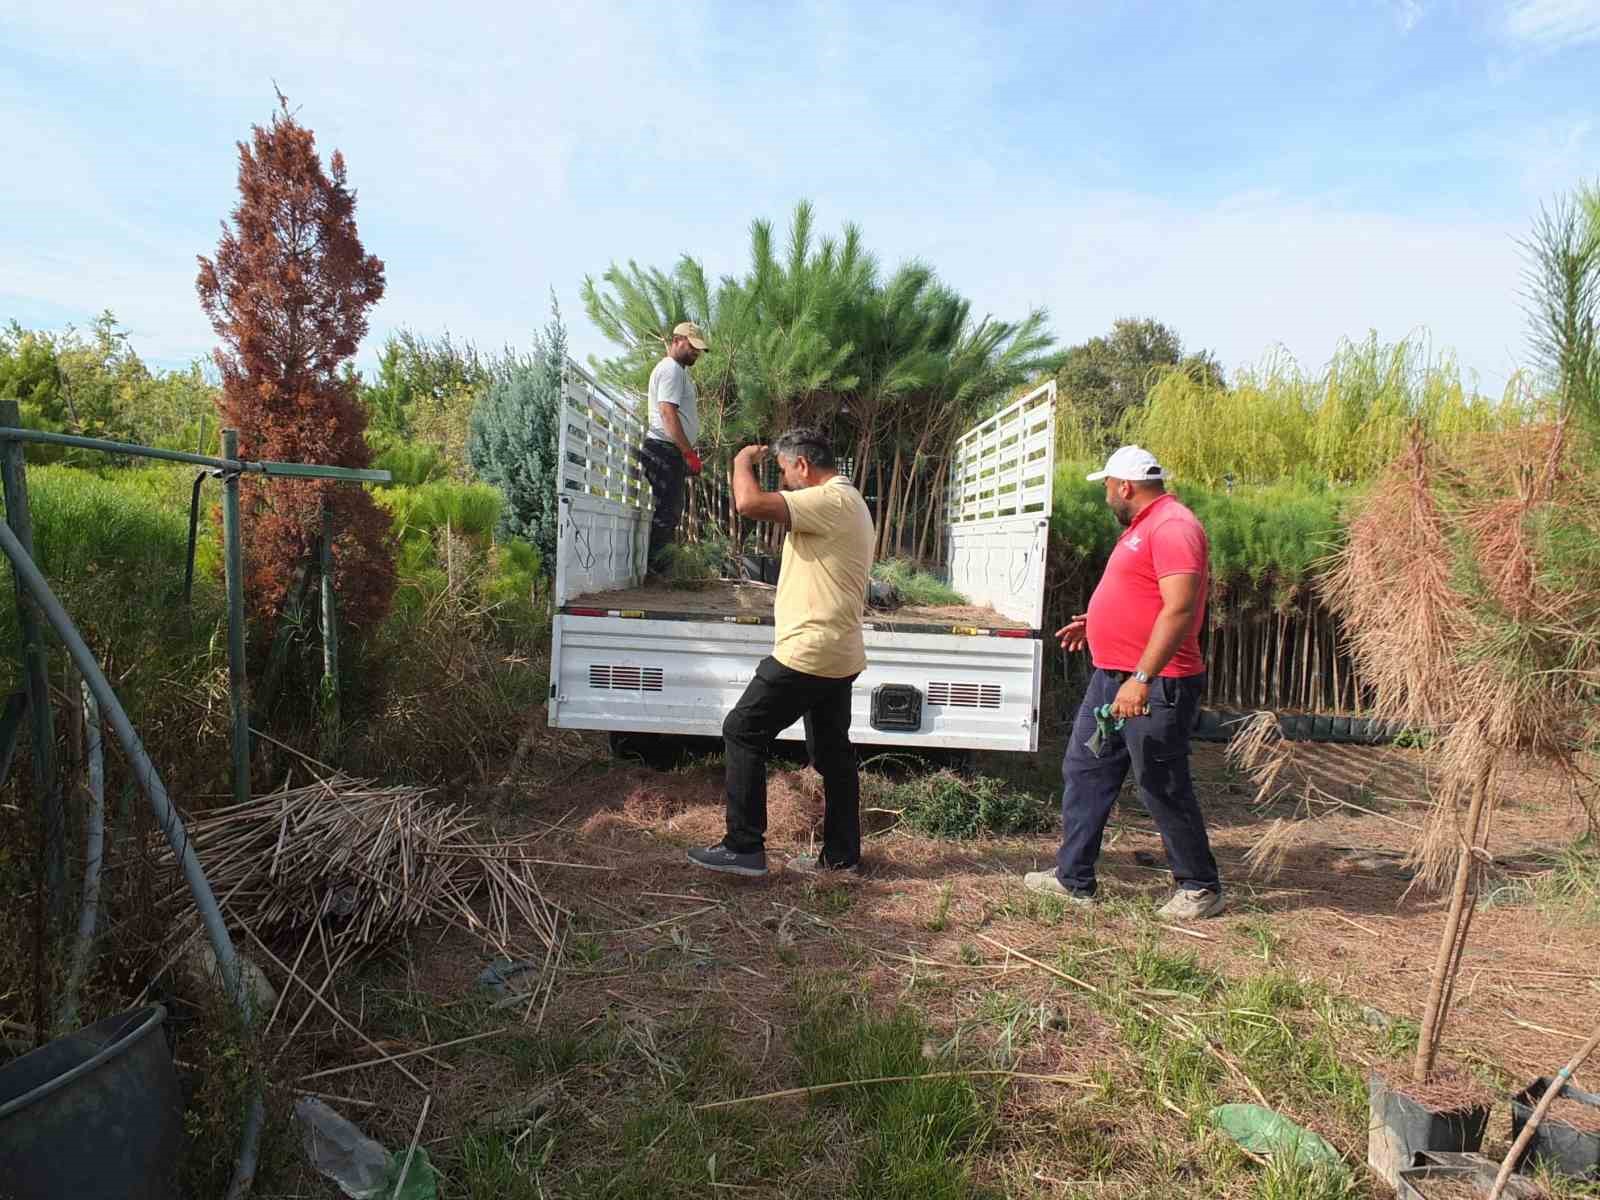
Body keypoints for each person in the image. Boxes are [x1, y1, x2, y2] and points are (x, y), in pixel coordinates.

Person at [1024, 445, 1224, 919]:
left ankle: (1200, 886)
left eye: (1108, 488)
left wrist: (1141, 678)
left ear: (1125, 486)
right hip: (1113, 678)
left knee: (1161, 782)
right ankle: (1072, 878)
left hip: (1155, 685)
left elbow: (1179, 610)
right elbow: (1139, 594)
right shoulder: (1143, 527)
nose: (1107, 497)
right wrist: (1095, 621)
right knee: (1086, 769)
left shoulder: (1174, 527)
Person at [687, 428, 875, 878]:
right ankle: (842, 858)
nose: (785, 480)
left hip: (808, 651)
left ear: (804, 466)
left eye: (787, 471)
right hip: (839, 651)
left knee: (742, 729)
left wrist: (740, 461)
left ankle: (744, 847)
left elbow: (748, 503)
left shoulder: (830, 499)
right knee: (833, 755)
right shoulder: (850, 503)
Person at [640, 322, 708, 575]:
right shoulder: (671, 370)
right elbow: (668, 412)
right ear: (677, 340)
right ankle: (657, 572)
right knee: (665, 512)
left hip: (669, 450)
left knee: (669, 510)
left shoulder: (677, 370)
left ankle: (659, 570)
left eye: (699, 349)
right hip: (664, 449)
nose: (696, 353)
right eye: (693, 347)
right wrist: (688, 452)